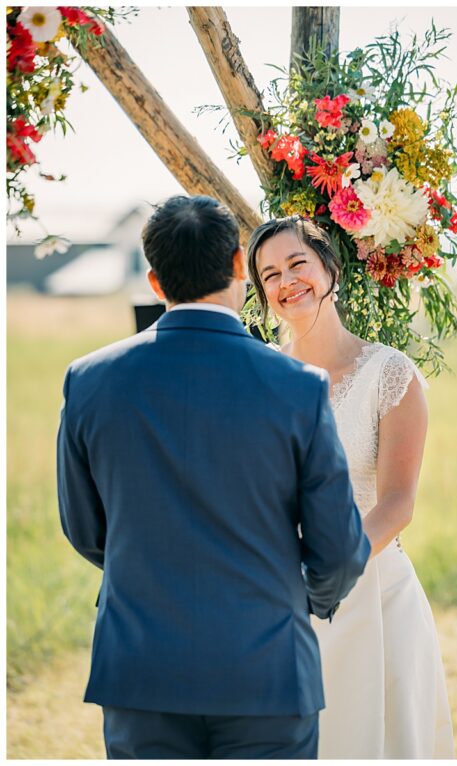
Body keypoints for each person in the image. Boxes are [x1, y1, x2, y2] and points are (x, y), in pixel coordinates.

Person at [57, 195, 370, 758]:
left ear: (155, 282)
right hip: (269, 667)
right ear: (236, 266)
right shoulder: (300, 386)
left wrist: (153, 570)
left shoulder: (88, 380)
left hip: (140, 666)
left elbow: (85, 530)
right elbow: (341, 551)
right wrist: (291, 599)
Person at [247, 216, 455, 758]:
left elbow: (398, 504)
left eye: (298, 264)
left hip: (375, 593)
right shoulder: (260, 376)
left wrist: (322, 572)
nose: (286, 281)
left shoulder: (391, 374)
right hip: (280, 603)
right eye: (269, 274)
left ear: (329, 270)